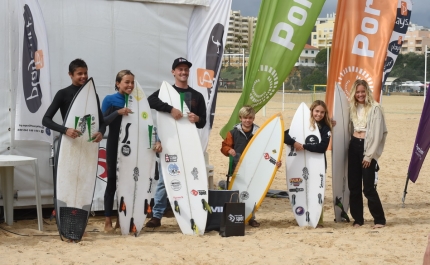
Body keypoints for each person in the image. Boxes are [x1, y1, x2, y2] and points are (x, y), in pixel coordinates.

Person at [145, 57, 207, 228]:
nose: (183, 72)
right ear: (173, 72)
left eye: (186, 69)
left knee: (192, 176)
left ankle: (192, 212)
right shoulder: (165, 92)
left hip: (189, 144)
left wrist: (197, 118)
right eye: (180, 69)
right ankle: (156, 215)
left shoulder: (197, 96)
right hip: (169, 142)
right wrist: (170, 109)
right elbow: (150, 101)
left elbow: (203, 122)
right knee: (166, 178)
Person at [101, 70, 162, 231]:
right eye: (126, 82)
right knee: (113, 182)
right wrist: (117, 112)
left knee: (127, 184)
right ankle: (108, 221)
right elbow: (102, 122)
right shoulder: (110, 100)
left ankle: (122, 220)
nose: (130, 85)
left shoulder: (138, 101)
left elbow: (146, 125)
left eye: (132, 82)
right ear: (118, 83)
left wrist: (155, 140)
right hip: (114, 145)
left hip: (131, 149)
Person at [221, 105, 281, 227]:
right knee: (238, 192)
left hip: (255, 169)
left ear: (253, 118)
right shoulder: (233, 133)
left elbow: (267, 152)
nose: (247, 120)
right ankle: (236, 216)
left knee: (253, 193)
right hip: (238, 168)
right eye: (245, 118)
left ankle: (251, 217)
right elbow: (224, 147)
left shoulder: (260, 133)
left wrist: (275, 162)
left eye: (250, 118)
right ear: (240, 118)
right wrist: (229, 150)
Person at [284, 100, 332, 227]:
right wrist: (294, 143)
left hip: (318, 164)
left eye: (322, 112)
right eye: (317, 111)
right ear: (311, 111)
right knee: (302, 187)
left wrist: (304, 146)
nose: (319, 114)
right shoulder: (303, 125)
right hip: (300, 162)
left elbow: (322, 147)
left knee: (316, 189)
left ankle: (317, 220)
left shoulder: (325, 128)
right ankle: (302, 215)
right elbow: (284, 135)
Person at [348, 79, 387, 229]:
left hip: (367, 148)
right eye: (357, 92)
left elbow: (377, 134)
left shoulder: (375, 108)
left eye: (362, 91)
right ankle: (358, 219)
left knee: (368, 187)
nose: (360, 94)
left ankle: (379, 219)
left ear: (367, 92)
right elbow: (348, 127)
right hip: (353, 146)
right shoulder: (351, 107)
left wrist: (369, 155)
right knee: (354, 186)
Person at [42, 58, 105, 141]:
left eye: (85, 73)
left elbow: (102, 122)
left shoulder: (93, 95)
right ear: (70, 74)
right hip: (68, 143)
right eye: (80, 73)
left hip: (88, 144)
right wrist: (65, 130)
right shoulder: (63, 93)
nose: (84, 76)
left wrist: (101, 132)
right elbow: (45, 120)